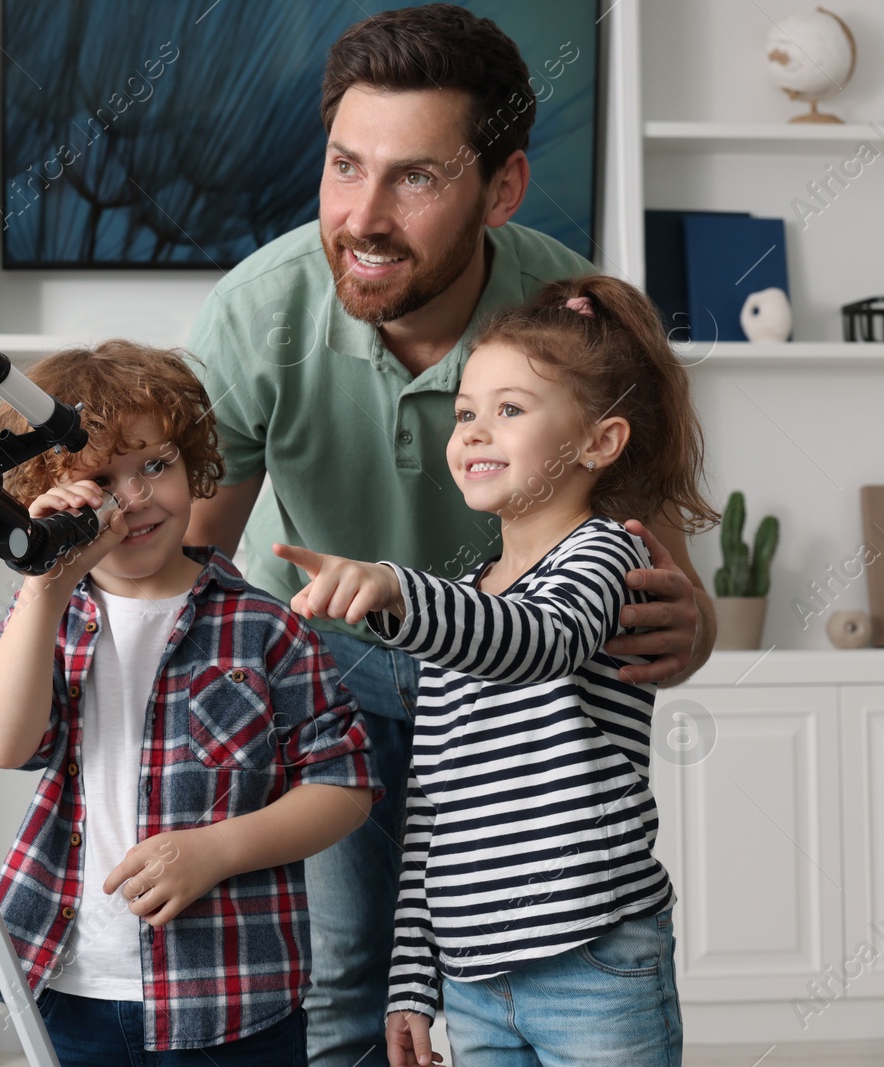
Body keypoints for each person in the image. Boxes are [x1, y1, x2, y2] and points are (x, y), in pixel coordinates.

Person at [182, 7, 716, 1064]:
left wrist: (688, 625)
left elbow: (650, 579)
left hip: (506, 684)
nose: (362, 215)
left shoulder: (575, 320)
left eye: (415, 178)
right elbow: (188, 570)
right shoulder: (254, 315)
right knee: (346, 972)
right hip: (327, 667)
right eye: (344, 165)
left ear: (501, 188)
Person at [276, 274, 718, 1067]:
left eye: (510, 410)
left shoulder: (604, 554)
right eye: (466, 413)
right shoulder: (468, 601)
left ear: (600, 442)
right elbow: (432, 809)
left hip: (594, 957)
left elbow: (540, 639)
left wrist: (396, 589)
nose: (474, 433)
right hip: (476, 980)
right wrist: (413, 981)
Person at [0, 340, 381, 1065]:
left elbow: (344, 785)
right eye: (102, 479)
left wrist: (216, 849)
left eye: (156, 464)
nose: (137, 497)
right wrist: (45, 583)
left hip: (236, 993)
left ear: (193, 463)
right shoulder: (45, 618)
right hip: (76, 984)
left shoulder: (264, 627)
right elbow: (2, 742)